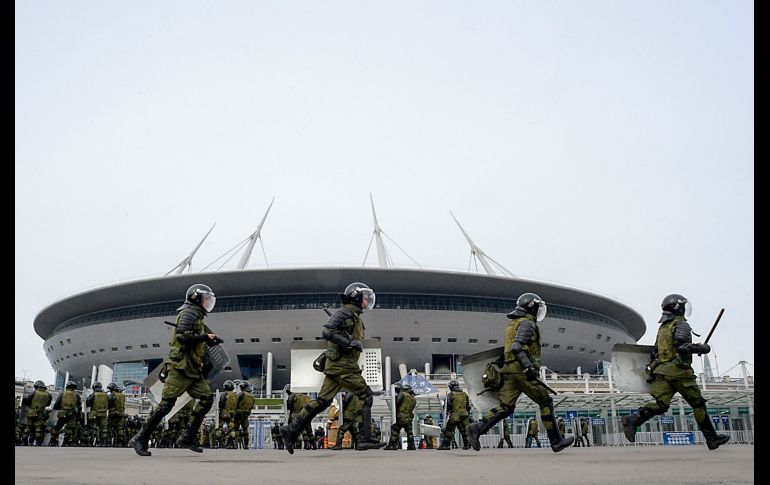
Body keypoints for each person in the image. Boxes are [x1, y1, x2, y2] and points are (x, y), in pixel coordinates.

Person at [279, 282, 385, 453]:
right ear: (356, 297)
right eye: (365, 298)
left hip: (337, 365)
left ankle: (290, 430)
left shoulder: (353, 314)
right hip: (343, 366)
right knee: (366, 394)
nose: (367, 301)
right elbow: (327, 331)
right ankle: (365, 438)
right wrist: (349, 343)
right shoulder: (346, 312)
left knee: (322, 402)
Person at [467, 293, 573, 452]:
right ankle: (556, 441)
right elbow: (517, 347)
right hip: (520, 370)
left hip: (508, 371)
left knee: (506, 406)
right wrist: (528, 367)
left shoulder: (512, 324)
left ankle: (477, 428)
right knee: (545, 402)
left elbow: (509, 348)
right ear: (533, 307)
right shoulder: (527, 323)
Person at [622, 294, 730, 451]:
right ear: (679, 308)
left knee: (661, 404)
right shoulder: (681, 324)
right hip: (679, 371)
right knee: (697, 404)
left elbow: (655, 352)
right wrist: (701, 348)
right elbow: (682, 347)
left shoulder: (663, 328)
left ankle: (633, 420)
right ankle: (711, 438)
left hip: (660, 372)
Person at [130, 283, 219, 456]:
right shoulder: (189, 313)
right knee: (166, 406)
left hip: (192, 370)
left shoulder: (198, 315)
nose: (208, 303)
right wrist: (204, 337)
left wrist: (207, 340)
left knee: (207, 399)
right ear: (196, 298)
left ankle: (187, 437)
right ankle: (140, 438)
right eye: (206, 299)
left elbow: (193, 339)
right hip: (180, 368)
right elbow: (182, 336)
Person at [440, 380, 471, 450]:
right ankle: (467, 445)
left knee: (449, 430)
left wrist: (446, 412)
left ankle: (446, 445)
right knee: (464, 430)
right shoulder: (464, 394)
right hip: (465, 415)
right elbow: (468, 406)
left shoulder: (451, 394)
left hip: (455, 415)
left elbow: (447, 406)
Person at [49, 381, 82, 447]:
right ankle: (66, 442)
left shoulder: (62, 393)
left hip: (62, 413)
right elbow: (79, 405)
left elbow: (57, 404)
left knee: (58, 427)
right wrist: (78, 414)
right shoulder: (77, 395)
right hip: (72, 414)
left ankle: (52, 440)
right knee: (69, 428)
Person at [385, 384, 416, 450]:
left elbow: (397, 403)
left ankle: (392, 445)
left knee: (395, 430)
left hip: (401, 416)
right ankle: (412, 445)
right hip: (409, 417)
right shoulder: (413, 398)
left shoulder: (403, 394)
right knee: (409, 432)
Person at [22, 380, 52, 446]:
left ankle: (25, 441)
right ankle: (38, 443)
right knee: (38, 427)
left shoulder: (34, 392)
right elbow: (48, 404)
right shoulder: (48, 394)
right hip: (41, 413)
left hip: (31, 412)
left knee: (28, 426)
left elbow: (27, 400)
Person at [285, 385, 316, 450]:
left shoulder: (294, 395)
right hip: (307, 414)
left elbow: (289, 405)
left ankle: (306, 444)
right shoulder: (307, 397)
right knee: (309, 430)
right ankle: (314, 445)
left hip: (296, 414)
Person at [86, 381, 110, 447]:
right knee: (104, 429)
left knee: (93, 428)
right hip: (104, 414)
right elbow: (109, 404)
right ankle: (104, 443)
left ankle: (90, 442)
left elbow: (88, 403)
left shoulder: (93, 394)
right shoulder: (106, 395)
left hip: (94, 414)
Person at [218, 380, 239, 449]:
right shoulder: (236, 395)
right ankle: (232, 443)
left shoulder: (224, 394)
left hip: (224, 413)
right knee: (231, 428)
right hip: (232, 414)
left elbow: (221, 403)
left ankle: (219, 443)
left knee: (219, 427)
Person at [235, 382, 255, 449]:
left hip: (238, 414)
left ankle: (235, 444)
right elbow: (251, 407)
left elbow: (235, 403)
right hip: (246, 415)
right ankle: (246, 445)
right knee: (245, 430)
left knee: (236, 429)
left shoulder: (241, 394)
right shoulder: (252, 397)